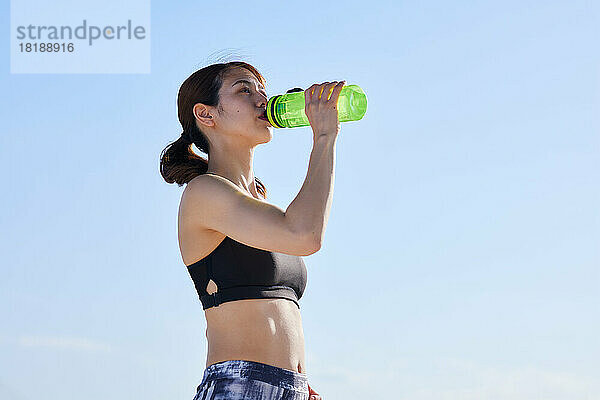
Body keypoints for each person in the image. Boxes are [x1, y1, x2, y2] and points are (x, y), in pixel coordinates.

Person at [160, 61, 345, 400]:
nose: (262, 99)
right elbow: (305, 235)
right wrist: (323, 136)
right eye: (244, 90)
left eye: (262, 89)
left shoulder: (259, 200)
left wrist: (299, 384)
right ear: (206, 114)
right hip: (239, 387)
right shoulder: (204, 192)